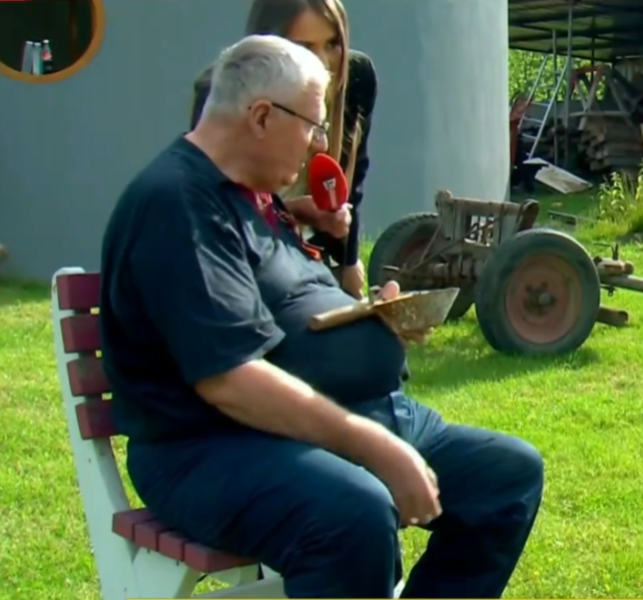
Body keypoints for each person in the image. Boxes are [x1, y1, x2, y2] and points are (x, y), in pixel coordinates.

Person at [99, 35, 544, 599]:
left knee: (506, 476)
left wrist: (371, 318)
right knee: (354, 513)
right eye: (312, 124)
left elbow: (293, 311)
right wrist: (370, 444)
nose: (318, 144)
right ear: (262, 116)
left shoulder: (257, 200)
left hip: (347, 414)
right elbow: (228, 380)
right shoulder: (178, 204)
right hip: (208, 446)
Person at [190, 0, 375, 299]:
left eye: (332, 44)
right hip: (242, 258)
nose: (323, 63)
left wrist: (348, 260)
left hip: (311, 254)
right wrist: (294, 212)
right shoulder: (222, 91)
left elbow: (352, 177)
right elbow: (213, 213)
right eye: (304, 47)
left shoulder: (357, 78)